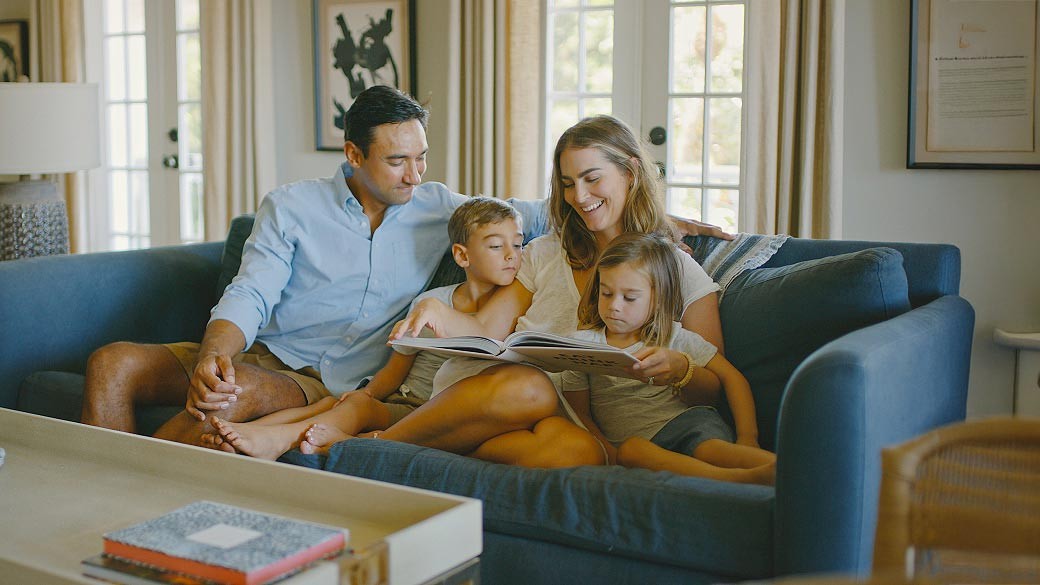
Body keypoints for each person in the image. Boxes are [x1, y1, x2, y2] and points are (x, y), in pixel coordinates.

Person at [80, 85, 728, 448]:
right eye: (398, 162)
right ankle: (111, 488)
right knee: (113, 363)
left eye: (422, 157)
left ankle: (136, 494)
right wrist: (212, 356)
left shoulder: (439, 208)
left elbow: (546, 209)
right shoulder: (292, 207)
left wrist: (660, 219)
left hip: (319, 378)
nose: (416, 175)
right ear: (353, 153)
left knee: (227, 401)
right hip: (263, 349)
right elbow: (247, 294)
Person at [380, 115, 728, 467]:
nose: (579, 196)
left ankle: (426, 443)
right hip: (500, 395)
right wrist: (436, 311)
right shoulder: (545, 251)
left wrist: (682, 369)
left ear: (630, 173)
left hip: (567, 422)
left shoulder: (675, 267)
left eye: (592, 179)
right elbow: (487, 330)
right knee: (532, 388)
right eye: (567, 183)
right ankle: (375, 447)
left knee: (582, 454)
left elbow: (717, 387)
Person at [201, 197, 524, 460]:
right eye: (496, 246)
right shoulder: (431, 302)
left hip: (434, 413)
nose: (512, 255)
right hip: (405, 402)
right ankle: (249, 434)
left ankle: (275, 440)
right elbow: (397, 370)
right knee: (336, 403)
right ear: (462, 255)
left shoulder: (515, 307)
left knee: (355, 407)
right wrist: (366, 393)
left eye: (519, 245)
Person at [562, 232, 775, 484]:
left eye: (629, 297)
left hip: (691, 424)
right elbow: (580, 414)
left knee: (712, 449)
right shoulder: (580, 347)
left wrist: (748, 438)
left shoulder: (674, 336)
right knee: (632, 450)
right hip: (641, 448)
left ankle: (784, 470)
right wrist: (608, 453)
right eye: (606, 293)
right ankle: (736, 480)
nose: (614, 306)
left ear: (657, 299)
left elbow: (732, 378)